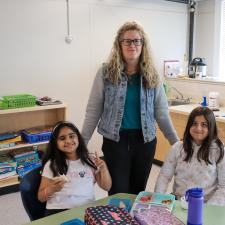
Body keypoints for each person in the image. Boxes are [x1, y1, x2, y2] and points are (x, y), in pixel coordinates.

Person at [81, 21, 179, 195]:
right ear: (119, 44)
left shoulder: (152, 75)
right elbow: (93, 110)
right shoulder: (105, 73)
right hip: (115, 141)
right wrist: (83, 142)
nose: (132, 45)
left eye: (136, 41)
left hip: (145, 142)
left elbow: (162, 113)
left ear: (143, 45)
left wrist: (177, 145)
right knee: (118, 191)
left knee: (137, 191)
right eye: (127, 41)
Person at [154, 106, 225, 206]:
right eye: (194, 123)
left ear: (211, 127)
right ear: (188, 126)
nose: (198, 128)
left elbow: (223, 187)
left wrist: (208, 209)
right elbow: (164, 177)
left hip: (206, 204)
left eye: (204, 124)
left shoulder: (219, 150)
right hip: (179, 201)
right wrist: (158, 200)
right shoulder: (177, 148)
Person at [37, 121, 112, 216]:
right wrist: (53, 189)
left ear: (78, 138)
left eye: (72, 136)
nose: (68, 141)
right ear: (55, 143)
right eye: (62, 138)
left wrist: (104, 169)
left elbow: (107, 187)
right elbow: (40, 197)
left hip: (87, 209)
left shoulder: (91, 160)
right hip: (59, 211)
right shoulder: (52, 164)